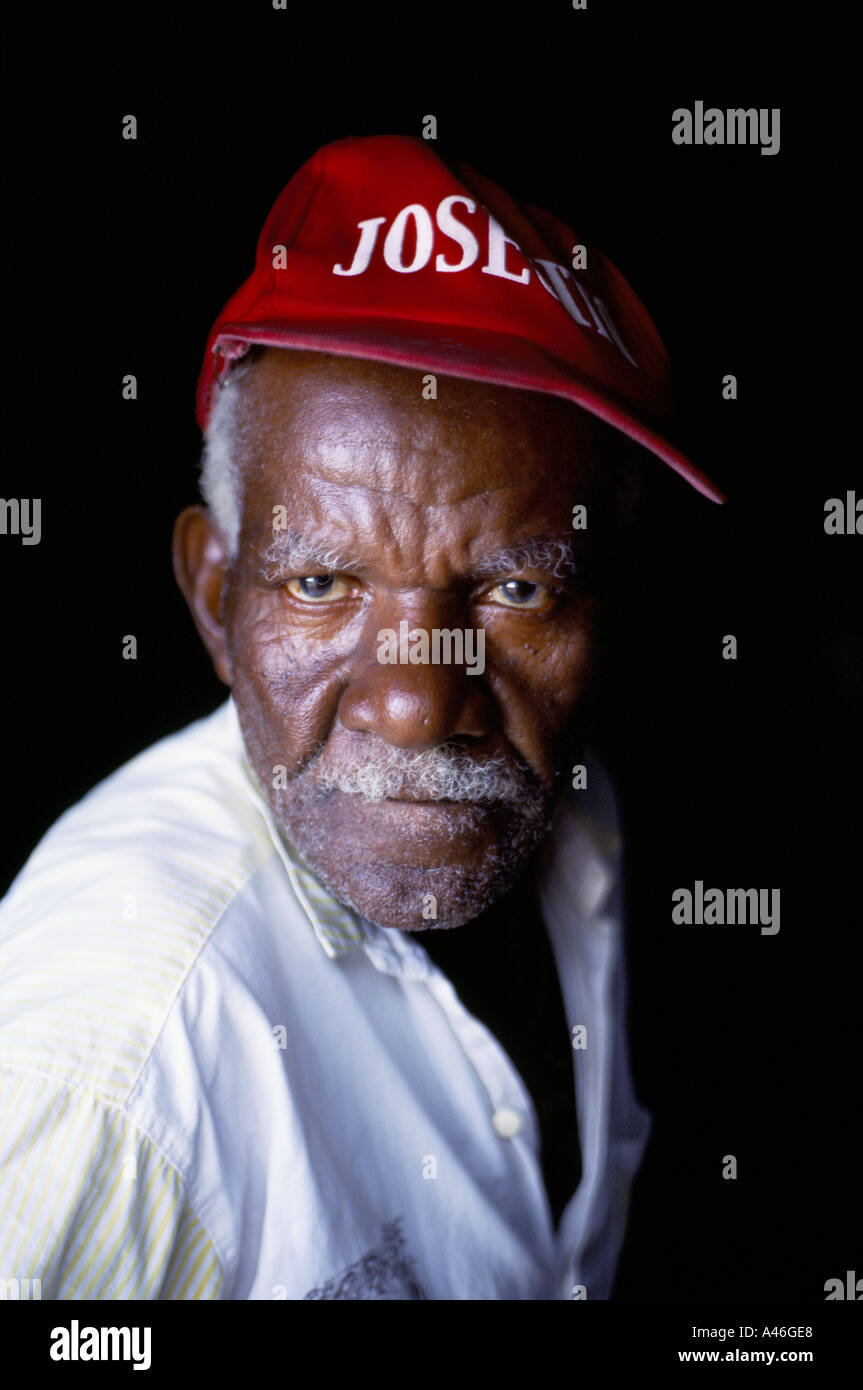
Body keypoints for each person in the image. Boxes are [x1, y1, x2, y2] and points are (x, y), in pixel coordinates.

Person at [0, 135, 724, 1300]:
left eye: (517, 588)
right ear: (212, 597)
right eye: (321, 584)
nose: (415, 703)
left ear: (611, 610)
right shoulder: (107, 1061)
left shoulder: (577, 820)